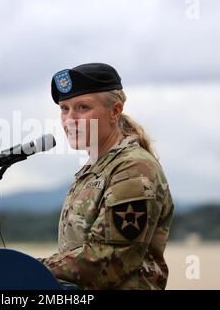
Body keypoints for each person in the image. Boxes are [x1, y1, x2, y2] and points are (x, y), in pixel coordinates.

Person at [39, 63, 174, 290]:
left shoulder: (133, 168)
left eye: (82, 107)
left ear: (114, 111)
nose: (70, 119)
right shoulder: (96, 169)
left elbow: (107, 259)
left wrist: (28, 268)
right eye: (64, 109)